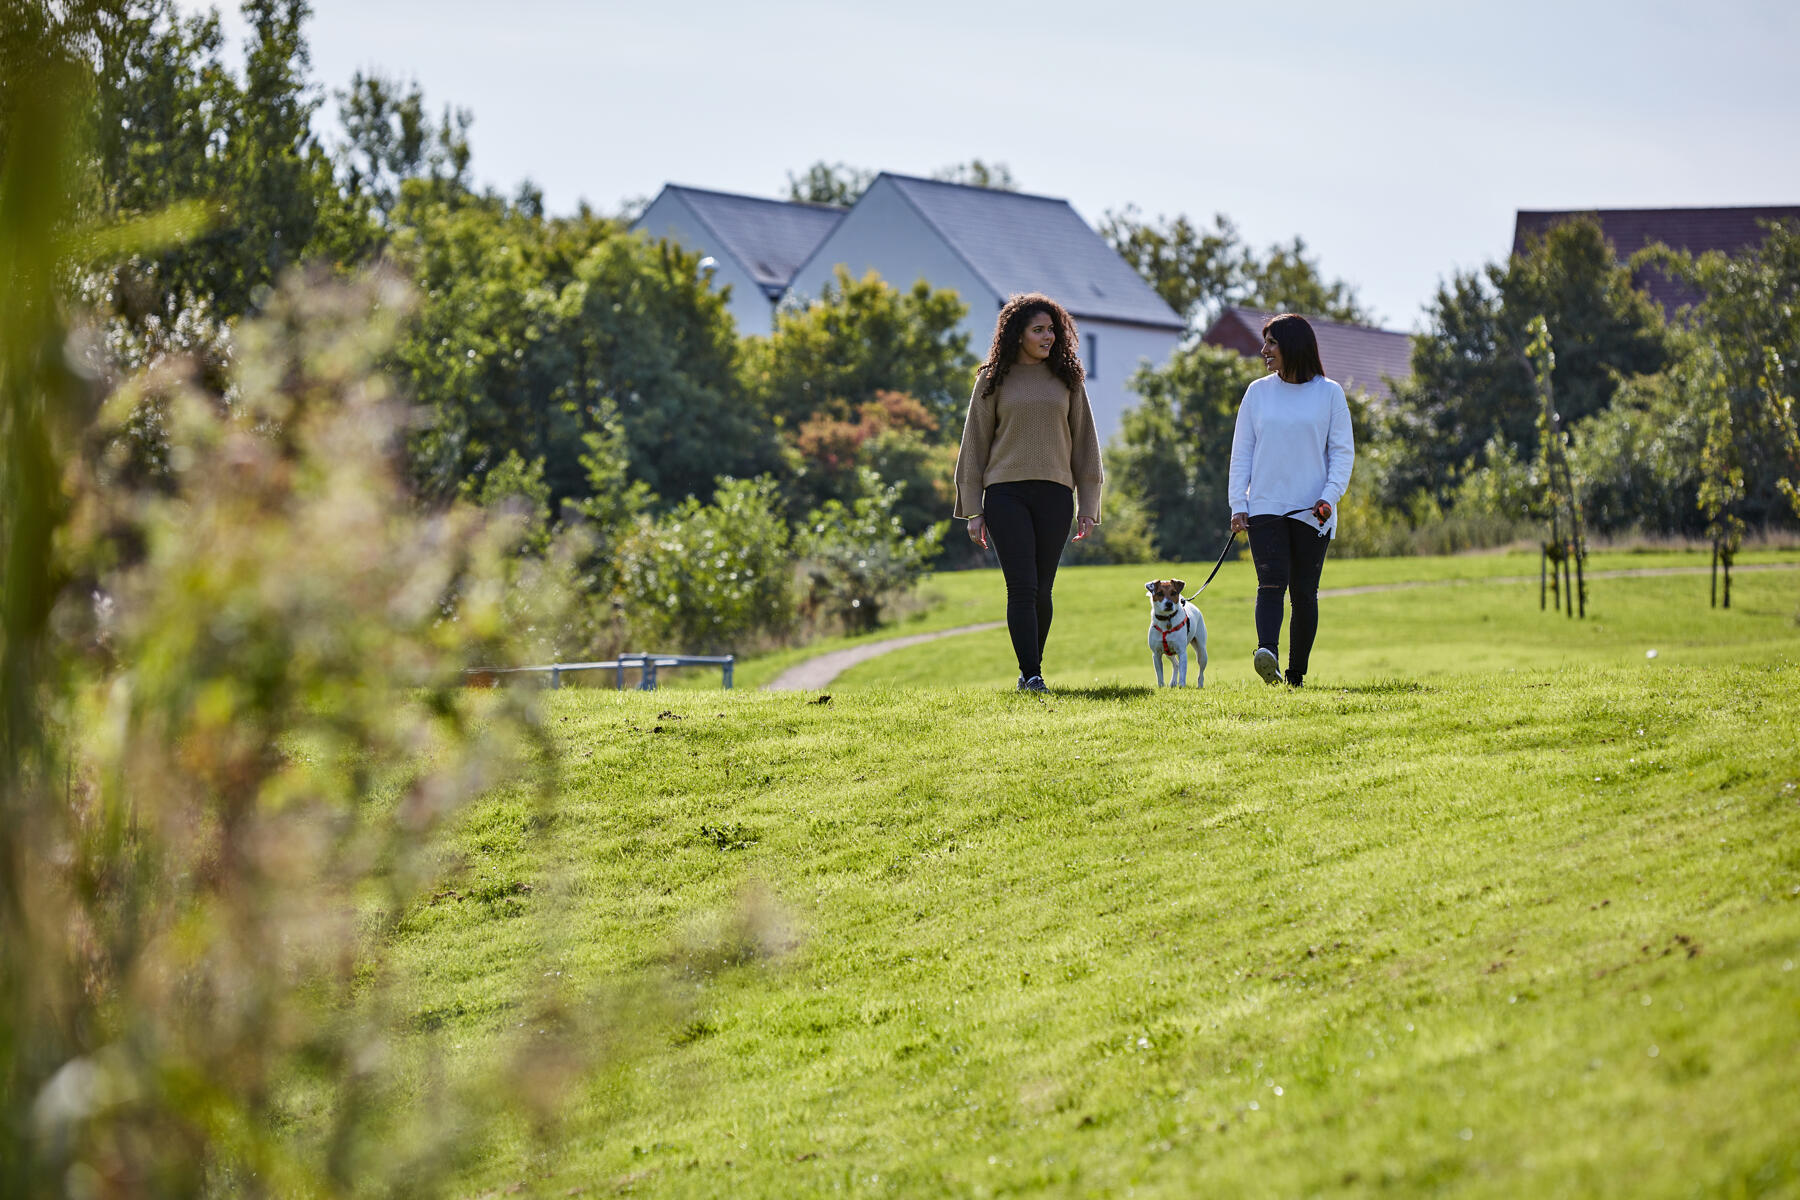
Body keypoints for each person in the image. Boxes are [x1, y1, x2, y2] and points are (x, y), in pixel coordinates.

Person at [953, 293, 1104, 693]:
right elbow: (974, 446)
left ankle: (1029, 671)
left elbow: (1086, 443)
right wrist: (973, 510)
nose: (1049, 337)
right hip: (1005, 495)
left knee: (1041, 588)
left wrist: (1088, 505)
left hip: (1055, 495)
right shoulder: (991, 379)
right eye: (1039, 330)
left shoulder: (1068, 379)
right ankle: (1033, 673)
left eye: (1052, 329)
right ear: (1017, 334)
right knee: (1020, 587)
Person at [1227, 312, 1354, 688]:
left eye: (1272, 343)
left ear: (1293, 346)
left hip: (1313, 509)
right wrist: (1239, 504)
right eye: (1265, 342)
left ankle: (1296, 676)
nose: (1263, 350)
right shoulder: (1257, 392)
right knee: (1270, 583)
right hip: (1265, 505)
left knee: (1303, 592)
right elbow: (1241, 454)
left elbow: (1342, 453)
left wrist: (1329, 497)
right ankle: (1267, 653)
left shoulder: (1329, 393)